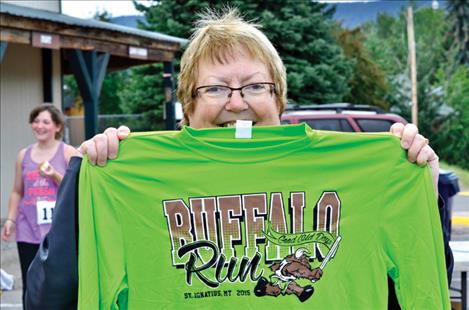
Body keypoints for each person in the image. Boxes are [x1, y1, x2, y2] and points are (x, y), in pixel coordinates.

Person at [26, 8, 450, 309]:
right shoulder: (127, 173)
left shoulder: (367, 169)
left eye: (254, 86)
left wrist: (419, 189)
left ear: (278, 100)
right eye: (214, 88)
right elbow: (52, 301)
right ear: (186, 107)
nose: (236, 102)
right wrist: (85, 186)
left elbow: (421, 290)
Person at [1, 104, 79, 308]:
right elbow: (17, 191)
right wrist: (10, 219)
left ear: (57, 127)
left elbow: (75, 189)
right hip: (28, 230)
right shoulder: (23, 155)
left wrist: (53, 174)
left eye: (45, 122)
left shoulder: (68, 152)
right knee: (30, 285)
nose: (39, 126)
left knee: (59, 284)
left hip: (58, 231)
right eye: (36, 121)